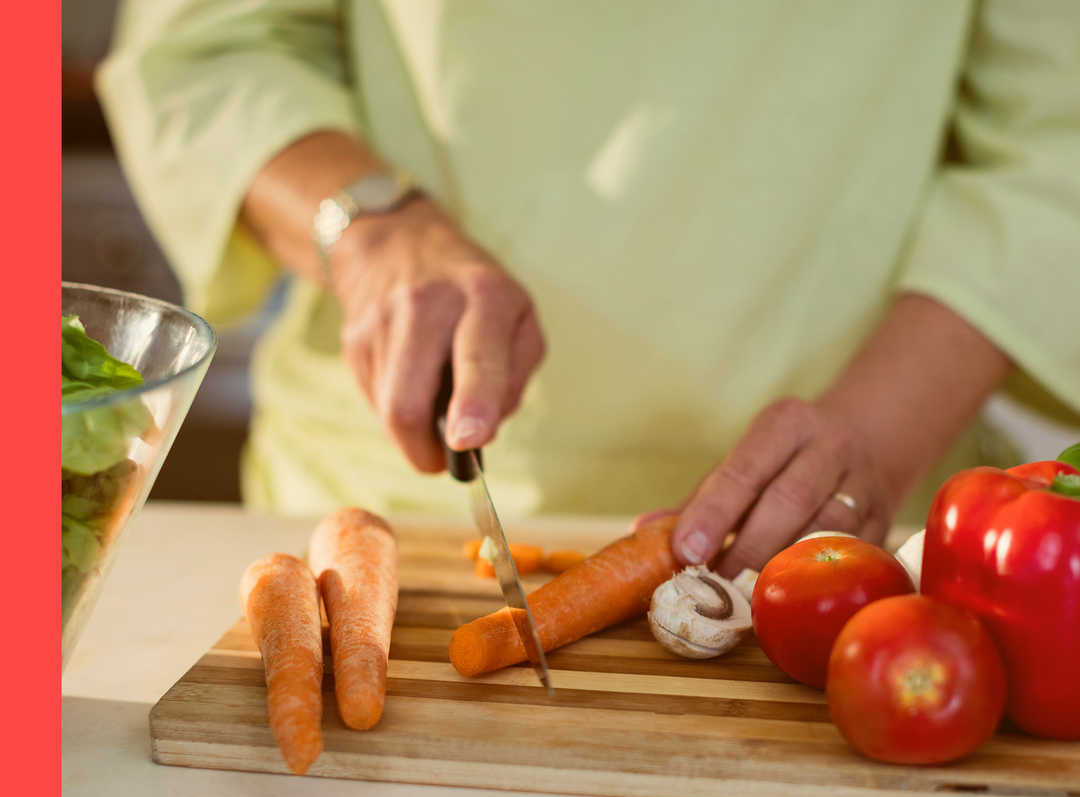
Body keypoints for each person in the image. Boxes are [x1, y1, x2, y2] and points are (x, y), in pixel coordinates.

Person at [97, 1, 1080, 576]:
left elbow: (1059, 139)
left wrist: (878, 430)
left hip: (864, 529)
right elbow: (207, 50)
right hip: (381, 523)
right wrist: (371, 231)